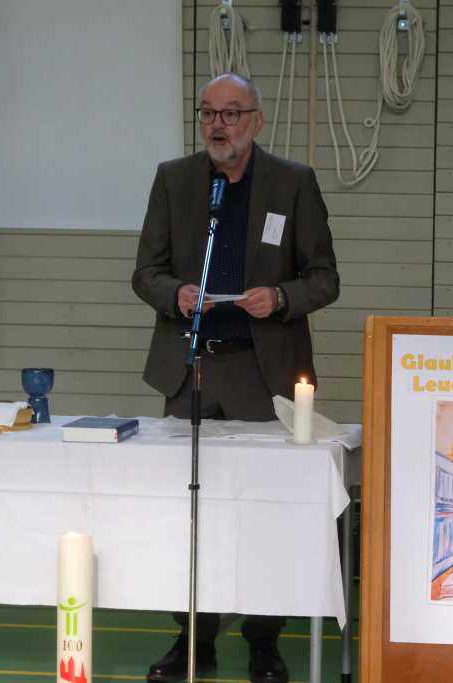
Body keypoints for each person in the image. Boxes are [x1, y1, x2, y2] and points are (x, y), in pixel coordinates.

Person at [132, 73, 339, 683]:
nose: (217, 125)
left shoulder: (293, 183)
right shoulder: (174, 179)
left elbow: (324, 277)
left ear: (256, 120)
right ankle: (193, 639)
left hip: (263, 372)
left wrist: (281, 297)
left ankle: (264, 639)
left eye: (230, 113)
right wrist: (176, 294)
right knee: (189, 512)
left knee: (265, 511)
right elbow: (146, 272)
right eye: (207, 113)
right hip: (192, 367)